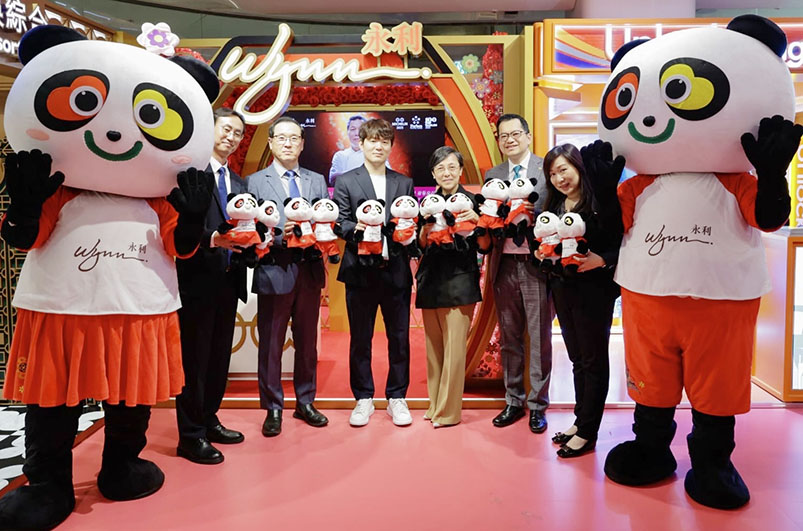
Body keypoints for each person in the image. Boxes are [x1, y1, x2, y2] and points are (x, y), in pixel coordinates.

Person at [537, 143, 622, 458]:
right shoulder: (555, 205)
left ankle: (588, 431)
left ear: (578, 167)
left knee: (593, 360)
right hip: (563, 288)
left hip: (594, 290)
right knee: (576, 359)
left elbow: (621, 242)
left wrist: (602, 260)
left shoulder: (600, 200)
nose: (559, 178)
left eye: (564, 170)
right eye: (553, 173)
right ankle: (580, 420)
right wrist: (541, 253)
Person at [247, 115, 330, 437]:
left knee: (307, 344)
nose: (288, 143)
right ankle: (272, 407)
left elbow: (325, 219)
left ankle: (305, 402)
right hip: (274, 270)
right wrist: (283, 234)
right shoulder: (255, 182)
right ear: (270, 143)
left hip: (309, 271)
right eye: (281, 138)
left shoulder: (317, 180)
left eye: (294, 138)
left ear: (302, 144)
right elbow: (252, 229)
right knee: (271, 344)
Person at [175, 107, 248, 465]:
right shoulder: (188, 174)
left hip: (230, 279)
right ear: (210, 128)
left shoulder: (239, 183)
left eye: (238, 133)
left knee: (219, 358)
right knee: (195, 360)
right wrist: (211, 240)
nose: (231, 137)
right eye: (226, 129)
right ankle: (190, 436)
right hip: (195, 280)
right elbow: (178, 225)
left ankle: (209, 419)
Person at [333, 118, 416, 427]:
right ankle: (363, 398)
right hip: (359, 271)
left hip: (395, 270)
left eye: (384, 141)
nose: (378, 146)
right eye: (372, 140)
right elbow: (339, 222)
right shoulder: (346, 180)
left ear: (390, 146)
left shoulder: (403, 182)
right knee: (360, 338)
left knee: (400, 338)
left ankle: (397, 397)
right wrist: (358, 230)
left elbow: (409, 221)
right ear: (361, 143)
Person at [483, 113, 552, 433]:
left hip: (536, 264)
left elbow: (556, 212)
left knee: (539, 337)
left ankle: (538, 405)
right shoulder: (493, 174)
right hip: (504, 264)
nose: (509, 140)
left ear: (528, 136)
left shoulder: (546, 169)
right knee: (509, 337)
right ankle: (513, 400)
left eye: (515, 134)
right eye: (503, 136)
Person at [416, 146, 482, 428]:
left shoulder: (472, 203)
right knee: (434, 351)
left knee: (455, 352)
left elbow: (484, 245)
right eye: (440, 168)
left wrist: (477, 221)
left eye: (452, 167)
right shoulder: (426, 204)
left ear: (461, 170)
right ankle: (435, 406)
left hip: (460, 282)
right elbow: (419, 245)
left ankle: (449, 412)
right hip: (430, 281)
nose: (447, 173)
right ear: (433, 173)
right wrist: (424, 230)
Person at [329, 115, 366, 185]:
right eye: (353, 129)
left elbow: (385, 176)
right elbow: (333, 179)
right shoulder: (340, 155)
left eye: (361, 129)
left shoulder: (375, 154)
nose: (357, 133)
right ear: (347, 132)